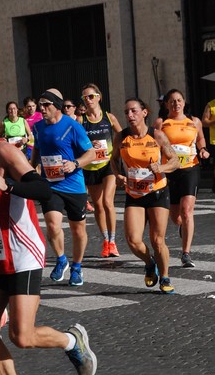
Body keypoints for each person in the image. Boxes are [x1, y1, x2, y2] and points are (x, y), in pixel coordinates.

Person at [0, 98, 97, 375]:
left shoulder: (1, 152)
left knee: (22, 336)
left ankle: (71, 341)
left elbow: (41, 187)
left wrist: (8, 185)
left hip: (22, 252)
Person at [110, 98, 179, 293]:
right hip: (134, 193)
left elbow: (175, 162)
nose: (129, 115)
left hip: (157, 191)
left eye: (133, 111)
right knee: (133, 240)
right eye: (126, 112)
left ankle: (165, 277)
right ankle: (149, 263)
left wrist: (161, 167)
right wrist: (117, 175)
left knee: (158, 240)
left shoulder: (157, 136)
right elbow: (113, 160)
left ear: (144, 113)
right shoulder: (121, 138)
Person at [30, 88, 96, 287]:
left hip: (74, 185)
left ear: (57, 106)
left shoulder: (72, 126)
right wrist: (32, 169)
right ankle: (61, 259)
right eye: (40, 105)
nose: (42, 109)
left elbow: (91, 154)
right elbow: (37, 151)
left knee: (78, 231)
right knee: (52, 224)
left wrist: (75, 164)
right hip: (51, 184)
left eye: (46, 105)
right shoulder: (39, 127)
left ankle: (76, 266)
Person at [154, 89, 209, 268]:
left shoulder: (194, 122)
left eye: (179, 100)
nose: (176, 104)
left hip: (190, 169)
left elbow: (200, 139)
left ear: (184, 103)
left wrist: (202, 149)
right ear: (166, 104)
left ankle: (186, 253)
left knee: (187, 211)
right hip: (169, 172)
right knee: (175, 215)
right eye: (172, 101)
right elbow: (154, 146)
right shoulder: (162, 123)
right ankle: (182, 227)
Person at [77, 83, 122, 258]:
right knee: (97, 205)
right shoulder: (81, 120)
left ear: (99, 97)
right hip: (90, 167)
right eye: (84, 98)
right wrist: (89, 145)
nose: (87, 100)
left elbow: (121, 134)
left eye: (90, 96)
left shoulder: (109, 118)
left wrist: (118, 153)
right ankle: (105, 241)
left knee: (108, 202)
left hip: (107, 165)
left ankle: (113, 241)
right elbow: (75, 142)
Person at [23, 97, 42, 161]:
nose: (31, 108)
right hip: (29, 146)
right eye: (29, 106)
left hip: (40, 145)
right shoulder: (23, 119)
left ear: (36, 106)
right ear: (25, 107)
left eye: (33, 106)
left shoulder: (41, 116)